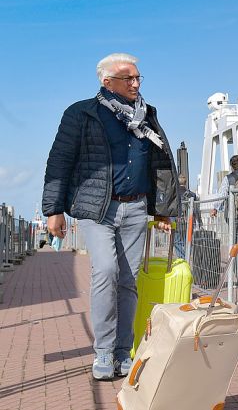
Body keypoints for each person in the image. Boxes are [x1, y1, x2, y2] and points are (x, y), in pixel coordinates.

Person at [42, 53, 177, 380]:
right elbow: (59, 161)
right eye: (127, 78)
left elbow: (160, 162)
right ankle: (103, 352)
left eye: (137, 78)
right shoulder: (81, 113)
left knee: (128, 281)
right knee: (104, 270)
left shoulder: (147, 115)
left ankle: (122, 351)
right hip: (97, 209)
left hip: (135, 207)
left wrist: (162, 210)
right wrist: (53, 210)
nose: (135, 83)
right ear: (107, 82)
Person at [210, 155, 238, 219]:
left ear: (232, 166)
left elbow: (222, 195)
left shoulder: (228, 178)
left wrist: (215, 208)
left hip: (234, 214)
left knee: (234, 228)